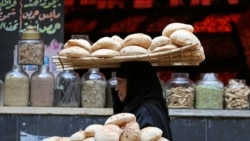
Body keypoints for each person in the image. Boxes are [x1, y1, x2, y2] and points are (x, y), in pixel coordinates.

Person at [113, 61, 173, 140]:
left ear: (134, 84)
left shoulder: (146, 112)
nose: (116, 88)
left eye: (120, 82)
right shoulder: (142, 108)